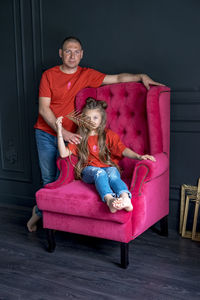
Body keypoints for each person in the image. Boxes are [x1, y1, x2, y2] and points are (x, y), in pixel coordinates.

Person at [27, 36, 162, 231]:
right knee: (49, 181)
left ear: (81, 55)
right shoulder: (49, 75)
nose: (72, 55)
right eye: (68, 51)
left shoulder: (86, 74)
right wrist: (62, 132)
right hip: (47, 133)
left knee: (61, 179)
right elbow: (44, 108)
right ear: (60, 53)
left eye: (76, 52)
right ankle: (42, 217)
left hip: (73, 137)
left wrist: (140, 76)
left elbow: (116, 78)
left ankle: (50, 220)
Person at [56, 98, 156, 213]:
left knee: (113, 172)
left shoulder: (108, 135)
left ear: (101, 119)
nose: (91, 121)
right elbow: (63, 154)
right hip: (89, 171)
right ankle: (110, 200)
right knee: (100, 172)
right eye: (87, 118)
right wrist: (59, 131)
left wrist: (139, 156)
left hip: (107, 167)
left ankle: (125, 198)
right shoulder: (80, 136)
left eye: (95, 117)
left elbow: (123, 150)